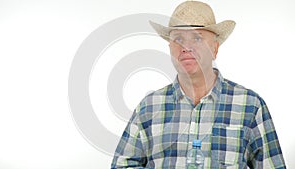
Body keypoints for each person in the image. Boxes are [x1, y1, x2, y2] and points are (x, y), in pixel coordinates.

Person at [111, 1, 286, 168]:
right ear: (169, 48)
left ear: (215, 49)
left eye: (197, 38)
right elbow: (122, 165)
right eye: (178, 39)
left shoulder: (250, 106)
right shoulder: (148, 107)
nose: (186, 47)